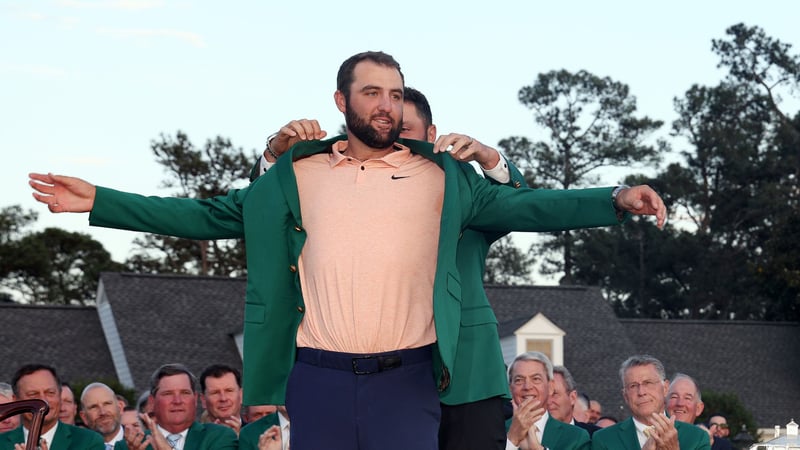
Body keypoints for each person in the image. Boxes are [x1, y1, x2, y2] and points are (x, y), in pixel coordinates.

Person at [28, 50, 666, 450]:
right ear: (342, 101)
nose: (385, 106)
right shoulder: (298, 175)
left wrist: (615, 197)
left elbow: (533, 205)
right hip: (319, 378)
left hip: (410, 377)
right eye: (371, 93)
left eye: (395, 93)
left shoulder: (443, 178)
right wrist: (98, 200)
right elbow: (206, 215)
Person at [257, 86, 524, 450]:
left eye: (405, 131)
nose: (392, 141)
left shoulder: (464, 190)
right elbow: (262, 212)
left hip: (465, 376)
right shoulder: (344, 190)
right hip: (387, 383)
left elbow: (522, 206)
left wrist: (490, 158)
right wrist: (275, 154)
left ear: (432, 136)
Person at [591, 355, 711, 450]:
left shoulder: (697, 438)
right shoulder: (604, 439)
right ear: (625, 396)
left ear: (665, 388)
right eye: (633, 386)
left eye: (648, 383)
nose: (641, 392)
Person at [121, 363, 237, 450]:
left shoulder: (220, 436)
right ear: (152, 402)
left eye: (185, 393)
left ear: (195, 399)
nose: (177, 401)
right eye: (168, 394)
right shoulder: (128, 446)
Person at [0, 364, 105, 449]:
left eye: (50, 392)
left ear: (59, 395)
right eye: (33, 394)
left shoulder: (88, 441)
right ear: (15, 400)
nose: (44, 401)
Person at [505, 352, 590, 450]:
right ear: (510, 388)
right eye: (519, 380)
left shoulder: (575, 437)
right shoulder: (491, 432)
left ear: (550, 387)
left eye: (536, 379)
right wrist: (512, 441)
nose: (527, 386)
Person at [549, 366, 600, 437]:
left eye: (554, 394)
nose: (548, 401)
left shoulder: (595, 437)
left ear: (572, 397)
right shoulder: (533, 437)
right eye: (545, 395)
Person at [198, 364, 243, 435]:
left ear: (241, 395)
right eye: (215, 393)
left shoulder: (259, 435)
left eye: (229, 390)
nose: (223, 398)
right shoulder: (190, 440)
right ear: (203, 400)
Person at [80, 382, 125, 447]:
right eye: (94, 407)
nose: (103, 412)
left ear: (120, 408)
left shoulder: (142, 443)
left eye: (107, 403)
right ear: (84, 417)